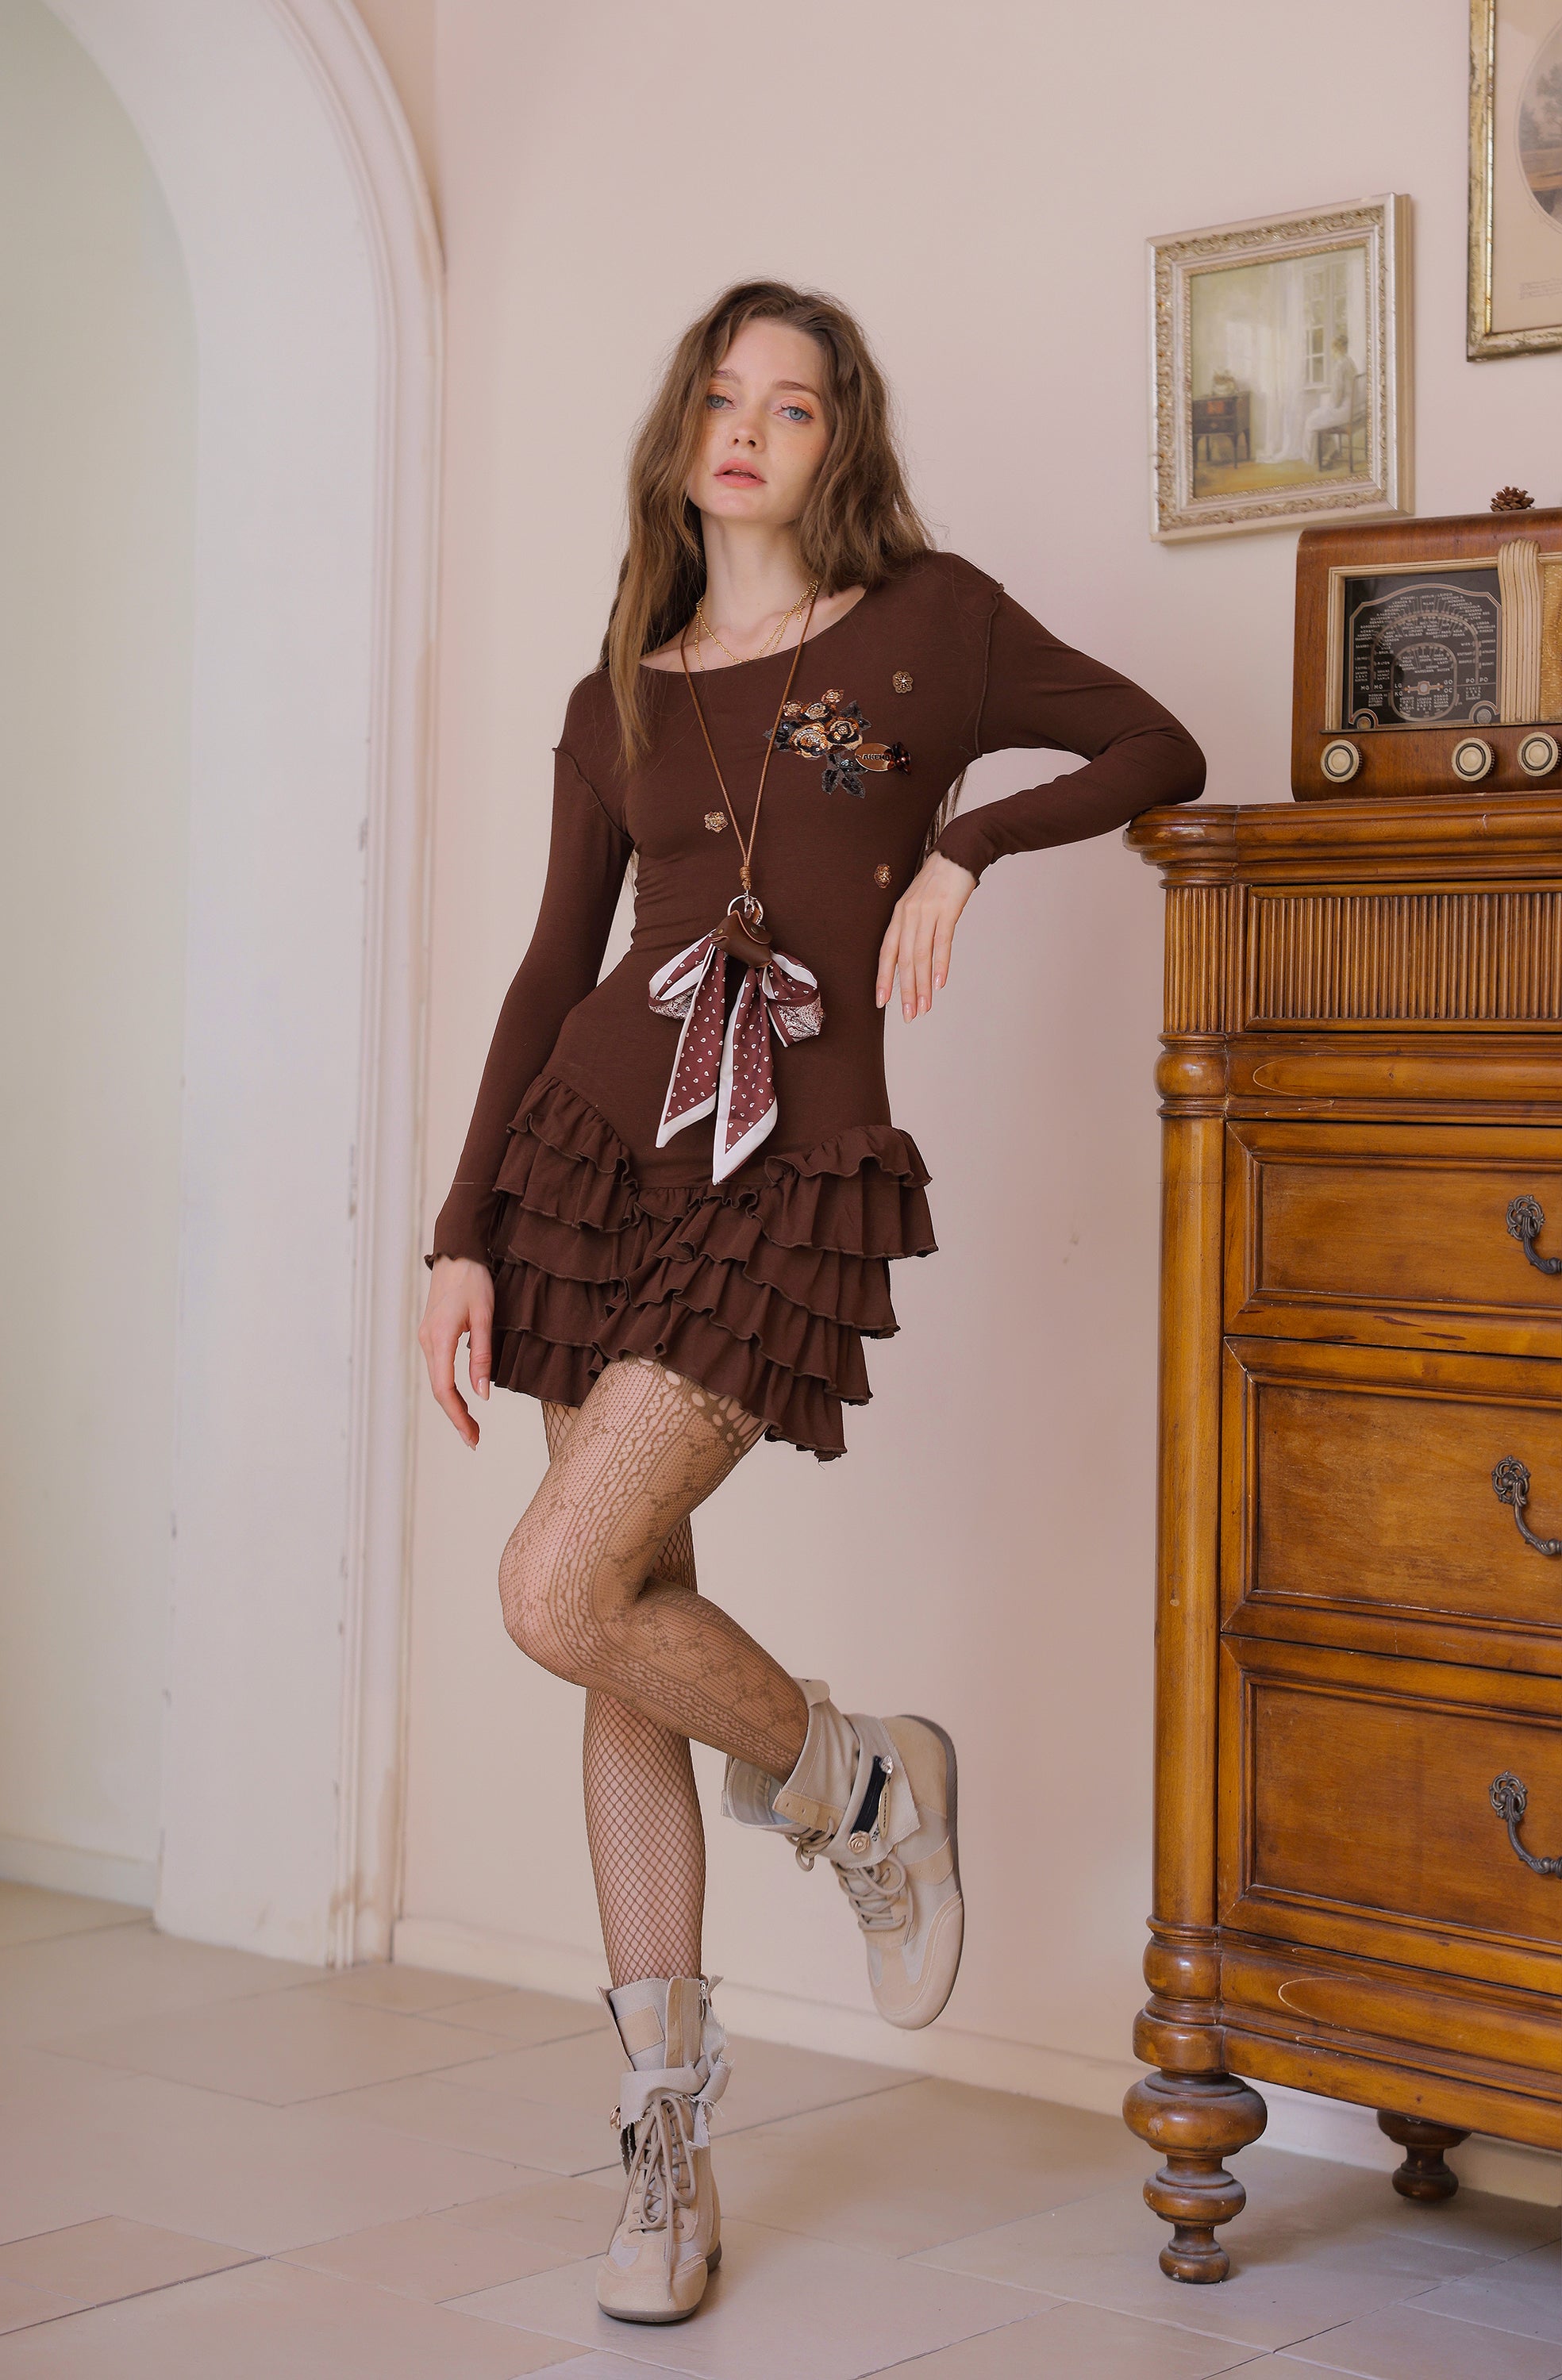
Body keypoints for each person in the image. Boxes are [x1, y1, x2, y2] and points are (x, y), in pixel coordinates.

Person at [419, 278, 1205, 2325]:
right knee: (612, 1631)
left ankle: (857, 1779)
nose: (747, 427)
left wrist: (965, 843)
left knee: (557, 1585)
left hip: (787, 1170)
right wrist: (457, 1230)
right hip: (588, 1160)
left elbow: (1157, 739)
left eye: (791, 403)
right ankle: (664, 2142)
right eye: (720, 393)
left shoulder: (930, 625)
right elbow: (548, 968)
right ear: (680, 431)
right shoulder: (616, 692)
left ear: (837, 442)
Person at [1302, 332, 1360, 470]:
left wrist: (1330, 407)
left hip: (1344, 411)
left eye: (1332, 348)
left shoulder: (1339, 366)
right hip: (1354, 408)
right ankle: (1330, 451)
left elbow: (1337, 396)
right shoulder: (1350, 362)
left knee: (1311, 421)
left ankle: (1313, 459)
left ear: (1336, 348)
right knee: (1317, 416)